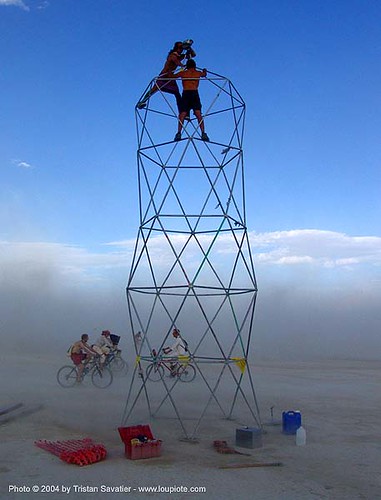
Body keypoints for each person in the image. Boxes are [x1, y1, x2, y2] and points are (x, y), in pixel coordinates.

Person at [137, 41, 196, 112]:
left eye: (182, 47)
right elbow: (176, 62)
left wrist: (189, 48)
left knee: (177, 93)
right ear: (176, 48)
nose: (181, 49)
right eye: (180, 47)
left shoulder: (180, 56)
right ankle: (142, 102)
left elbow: (193, 55)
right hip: (164, 76)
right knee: (154, 89)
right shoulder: (172, 56)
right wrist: (183, 65)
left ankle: (182, 111)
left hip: (170, 77)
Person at [174, 59, 209, 142]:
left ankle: (179, 132)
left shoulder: (183, 73)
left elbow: (174, 76)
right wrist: (204, 71)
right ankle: (203, 133)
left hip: (186, 93)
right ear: (194, 65)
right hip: (194, 93)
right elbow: (204, 74)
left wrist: (169, 72)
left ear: (187, 65)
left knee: (182, 114)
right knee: (198, 114)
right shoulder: (197, 73)